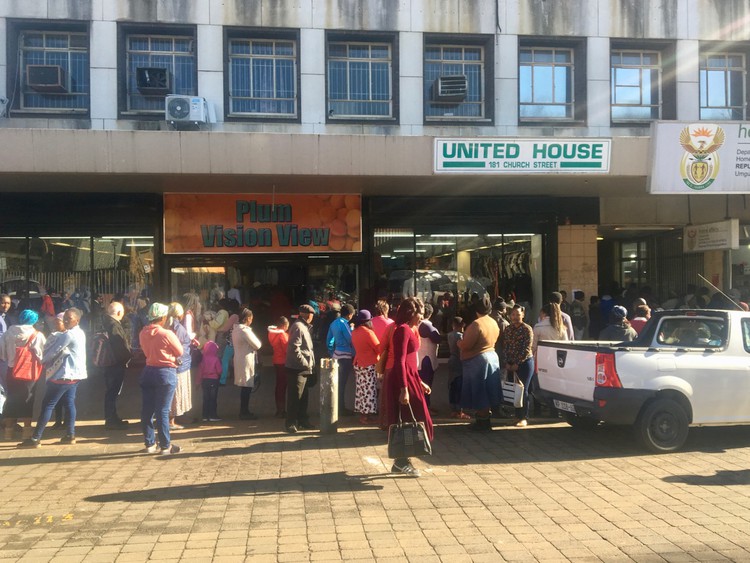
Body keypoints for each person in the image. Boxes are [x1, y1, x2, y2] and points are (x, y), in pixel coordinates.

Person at [19, 308, 87, 447]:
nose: (66, 321)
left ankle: (35, 438)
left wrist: (42, 360)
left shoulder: (68, 335)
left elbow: (53, 351)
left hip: (63, 375)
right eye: (65, 318)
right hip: (75, 375)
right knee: (69, 403)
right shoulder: (80, 333)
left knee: (48, 405)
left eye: (70, 318)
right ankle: (70, 434)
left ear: (77, 320)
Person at [386, 297, 433, 477]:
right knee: (407, 419)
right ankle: (400, 461)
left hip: (410, 377)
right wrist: (404, 388)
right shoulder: (403, 331)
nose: (422, 316)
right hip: (402, 380)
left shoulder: (409, 329)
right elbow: (400, 361)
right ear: (411, 313)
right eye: (419, 312)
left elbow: (409, 362)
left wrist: (419, 381)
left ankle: (402, 460)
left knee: (413, 418)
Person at [139, 302, 183, 455]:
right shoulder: (166, 334)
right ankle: (165, 446)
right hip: (165, 372)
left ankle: (149, 444)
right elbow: (179, 351)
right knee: (163, 411)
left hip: (148, 370)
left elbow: (145, 352)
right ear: (163, 318)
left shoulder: (142, 333)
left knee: (147, 410)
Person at [1, 310, 46, 441]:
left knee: (11, 400)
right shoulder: (37, 335)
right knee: (28, 400)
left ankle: (8, 432)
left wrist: (9, 359)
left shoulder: (9, 332)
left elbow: (1, 352)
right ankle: (27, 432)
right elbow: (41, 355)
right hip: (29, 372)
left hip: (11, 370)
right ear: (34, 321)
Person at [459, 295, 501, 432]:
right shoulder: (493, 322)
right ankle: (485, 420)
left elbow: (467, 345)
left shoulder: (476, 324)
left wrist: (458, 342)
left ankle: (482, 423)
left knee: (479, 391)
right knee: (488, 390)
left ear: (477, 310)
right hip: (492, 357)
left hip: (478, 360)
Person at [285, 304, 316, 434]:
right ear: (308, 315)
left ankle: (303, 420)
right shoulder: (298, 327)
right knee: (295, 397)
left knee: (303, 397)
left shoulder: (304, 327)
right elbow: (294, 347)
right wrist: (304, 363)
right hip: (297, 368)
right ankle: (291, 423)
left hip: (304, 368)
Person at [101, 301, 133, 430]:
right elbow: (119, 346)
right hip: (115, 364)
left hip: (109, 363)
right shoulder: (114, 325)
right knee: (112, 391)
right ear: (119, 313)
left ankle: (112, 417)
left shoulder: (105, 322)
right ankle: (111, 419)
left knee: (111, 391)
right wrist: (127, 357)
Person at [503, 304, 535, 427]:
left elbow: (527, 348)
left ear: (523, 315)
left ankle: (524, 417)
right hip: (510, 364)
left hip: (525, 363)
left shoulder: (527, 329)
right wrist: (507, 362)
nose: (515, 317)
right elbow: (505, 346)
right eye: (513, 314)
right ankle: (517, 416)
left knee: (523, 390)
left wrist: (518, 363)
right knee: (514, 390)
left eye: (518, 314)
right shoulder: (508, 329)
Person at [232, 308, 262, 420]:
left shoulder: (235, 329)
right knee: (246, 387)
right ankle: (244, 412)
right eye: (251, 318)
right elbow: (257, 344)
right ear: (248, 318)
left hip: (240, 359)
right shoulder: (245, 331)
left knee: (245, 387)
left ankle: (244, 410)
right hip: (246, 360)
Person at [351, 309, 380, 425]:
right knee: (369, 390)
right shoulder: (369, 333)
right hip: (369, 364)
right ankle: (366, 416)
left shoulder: (355, 332)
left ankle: (362, 415)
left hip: (358, 363)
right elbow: (378, 348)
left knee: (361, 390)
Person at [327, 303, 355, 416]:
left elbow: (329, 340)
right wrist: (352, 328)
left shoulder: (333, 323)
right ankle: (341, 408)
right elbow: (351, 339)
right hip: (346, 356)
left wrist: (331, 353)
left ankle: (336, 406)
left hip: (336, 355)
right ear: (349, 315)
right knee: (342, 383)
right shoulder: (345, 324)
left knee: (336, 382)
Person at [168, 303, 192, 430]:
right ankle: (172, 419)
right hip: (180, 363)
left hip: (180, 362)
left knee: (177, 392)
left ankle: (177, 416)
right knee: (176, 392)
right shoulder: (176, 327)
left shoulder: (171, 325)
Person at [417, 303, 441, 411]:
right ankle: (425, 407)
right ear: (430, 314)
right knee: (426, 385)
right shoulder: (426, 325)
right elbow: (437, 339)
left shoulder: (417, 324)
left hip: (420, 359)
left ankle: (422, 406)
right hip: (426, 361)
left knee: (421, 385)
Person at [447, 316, 470, 420]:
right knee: (459, 385)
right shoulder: (460, 336)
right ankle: (459, 410)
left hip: (451, 359)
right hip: (459, 361)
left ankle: (453, 409)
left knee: (452, 384)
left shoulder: (449, 335)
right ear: (462, 326)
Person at [268, 316, 290, 418]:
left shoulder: (272, 333)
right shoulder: (282, 335)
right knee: (283, 387)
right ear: (284, 325)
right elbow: (287, 349)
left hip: (276, 360)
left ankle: (279, 409)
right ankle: (282, 411)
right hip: (284, 362)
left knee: (278, 386)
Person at [198, 340, 222, 422]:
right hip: (213, 380)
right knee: (213, 398)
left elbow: (200, 371)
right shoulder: (216, 359)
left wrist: (198, 382)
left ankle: (205, 415)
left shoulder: (203, 359)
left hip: (204, 381)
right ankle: (213, 415)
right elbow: (219, 370)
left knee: (205, 398)